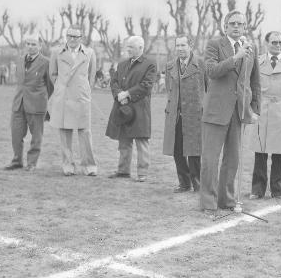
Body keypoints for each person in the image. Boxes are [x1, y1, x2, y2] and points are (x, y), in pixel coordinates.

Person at [199, 10, 261, 219]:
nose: (236, 27)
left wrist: (255, 108)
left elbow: (255, 81)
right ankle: (208, 201)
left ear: (245, 28)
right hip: (216, 110)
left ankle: (226, 199)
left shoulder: (251, 48)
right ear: (225, 26)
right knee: (210, 158)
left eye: (240, 24)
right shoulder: (215, 44)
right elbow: (211, 71)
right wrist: (236, 57)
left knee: (232, 159)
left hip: (239, 110)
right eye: (232, 23)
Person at [249, 31, 281, 201]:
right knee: (260, 151)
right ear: (266, 43)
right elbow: (252, 85)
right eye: (274, 42)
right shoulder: (257, 61)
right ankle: (257, 189)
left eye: (280, 42)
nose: (278, 45)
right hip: (262, 109)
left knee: (278, 153)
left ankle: (277, 190)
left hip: (280, 111)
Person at [48, 25, 98, 176]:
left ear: (81, 38)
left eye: (75, 36)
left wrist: (83, 89)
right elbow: (53, 74)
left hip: (81, 98)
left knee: (85, 133)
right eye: (69, 35)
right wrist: (61, 88)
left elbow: (91, 76)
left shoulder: (89, 53)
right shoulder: (56, 52)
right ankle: (68, 165)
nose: (72, 39)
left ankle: (89, 166)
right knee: (64, 132)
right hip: (64, 98)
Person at [106, 36, 156, 182]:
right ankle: (123, 171)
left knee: (142, 141)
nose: (128, 50)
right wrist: (118, 95)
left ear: (141, 48)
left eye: (131, 47)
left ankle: (142, 173)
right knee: (124, 141)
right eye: (127, 47)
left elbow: (146, 85)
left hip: (140, 109)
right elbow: (113, 82)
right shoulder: (122, 64)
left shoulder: (150, 64)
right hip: (122, 108)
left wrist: (127, 94)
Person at [162, 35, 207, 193]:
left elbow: (207, 88)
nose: (180, 48)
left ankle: (197, 183)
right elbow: (169, 89)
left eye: (183, 45)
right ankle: (184, 183)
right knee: (177, 149)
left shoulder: (202, 64)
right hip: (175, 114)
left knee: (194, 150)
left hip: (195, 114)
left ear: (190, 46)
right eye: (178, 45)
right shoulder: (169, 66)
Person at [4, 35, 53, 171]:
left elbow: (50, 85)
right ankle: (17, 161)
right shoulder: (19, 60)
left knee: (36, 136)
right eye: (28, 44)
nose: (30, 46)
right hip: (18, 103)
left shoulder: (46, 62)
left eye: (34, 44)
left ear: (40, 46)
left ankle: (31, 163)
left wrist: (41, 98)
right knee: (16, 134)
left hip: (37, 105)